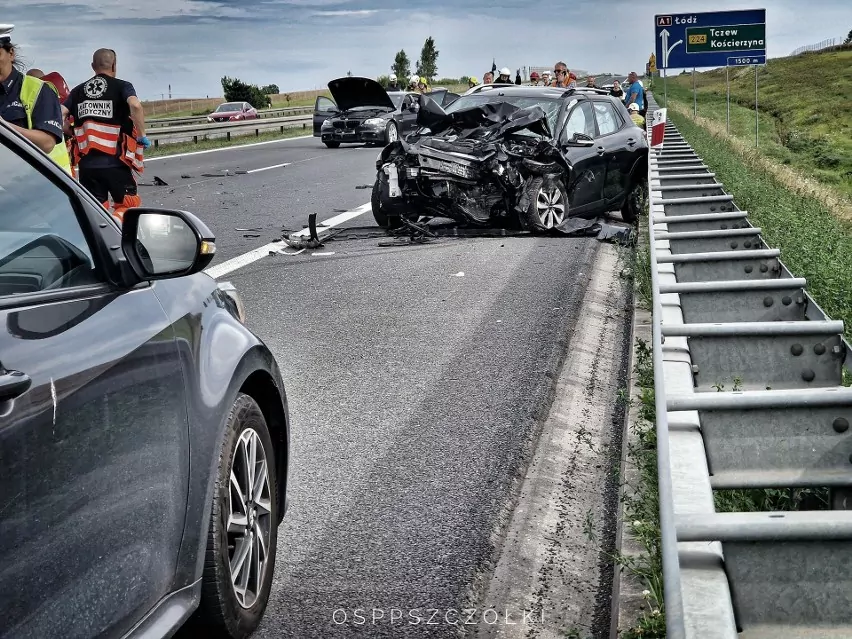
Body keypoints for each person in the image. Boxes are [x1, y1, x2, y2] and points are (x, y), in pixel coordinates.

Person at [62, 48, 149, 223]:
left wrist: (71, 132)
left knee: (97, 212)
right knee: (128, 207)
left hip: (87, 166)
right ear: (114, 65)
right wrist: (141, 135)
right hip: (116, 162)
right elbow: (136, 106)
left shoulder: (78, 91)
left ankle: (103, 241)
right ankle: (117, 229)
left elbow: (60, 113)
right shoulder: (122, 86)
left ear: (93, 66)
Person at [0, 25, 72, 175]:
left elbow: (47, 143)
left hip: (43, 185)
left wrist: (4, 127)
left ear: (11, 53)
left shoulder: (39, 90)